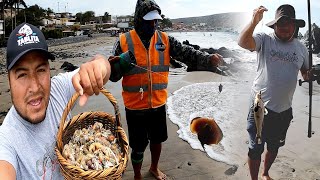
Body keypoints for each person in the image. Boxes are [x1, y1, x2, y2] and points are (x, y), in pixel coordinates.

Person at [110, 0, 223, 179]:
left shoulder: (164, 39)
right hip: (134, 107)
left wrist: (208, 58)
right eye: (149, 21)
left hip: (158, 103)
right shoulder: (123, 41)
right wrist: (117, 66)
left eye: (156, 20)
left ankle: (154, 167)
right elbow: (112, 75)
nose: (153, 24)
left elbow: (187, 53)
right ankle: (137, 175)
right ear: (139, 19)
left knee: (157, 140)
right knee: (138, 145)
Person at [0, 23, 114, 179]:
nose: (34, 87)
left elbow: (102, 63)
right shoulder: (6, 140)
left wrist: (99, 66)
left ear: (49, 70)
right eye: (22, 74)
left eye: (40, 70)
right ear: (9, 80)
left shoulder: (58, 89)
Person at [238, 4, 309, 180]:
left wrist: (312, 75)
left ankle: (265, 173)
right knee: (255, 148)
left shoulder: (302, 49)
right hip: (259, 107)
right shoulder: (265, 39)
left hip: (284, 110)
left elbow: (306, 74)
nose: (284, 27)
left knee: (274, 147)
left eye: (288, 23)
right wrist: (254, 22)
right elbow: (243, 42)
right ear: (274, 25)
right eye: (280, 23)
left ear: (295, 26)